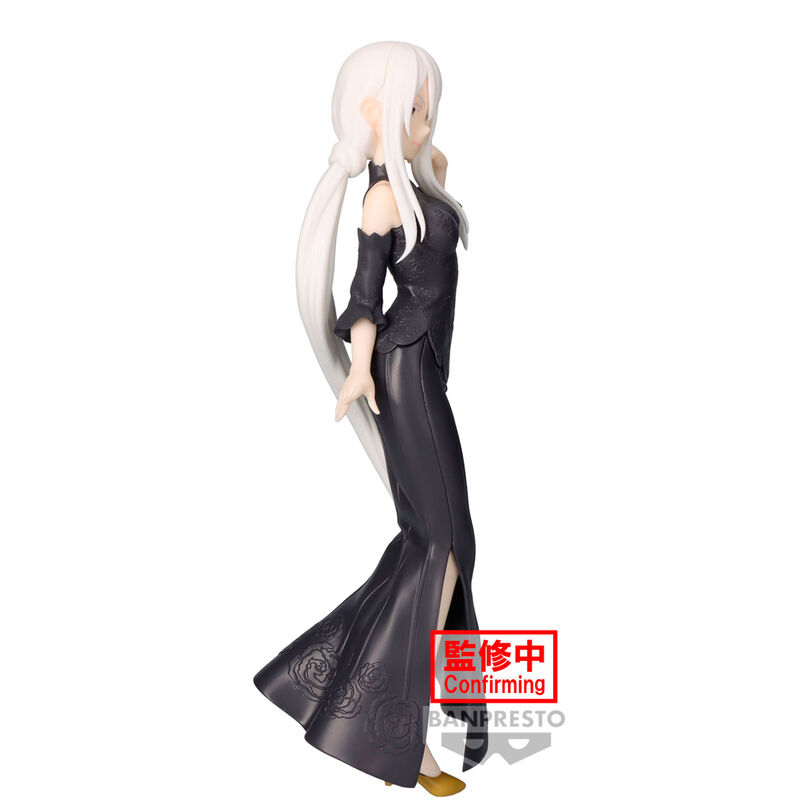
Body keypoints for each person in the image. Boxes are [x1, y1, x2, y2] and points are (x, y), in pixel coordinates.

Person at [254, 41, 488, 794]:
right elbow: (364, 297)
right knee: (443, 543)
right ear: (373, 111)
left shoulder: (421, 181)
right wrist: (358, 369)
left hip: (424, 369)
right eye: (412, 108)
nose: (426, 122)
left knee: (435, 543)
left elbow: (436, 238)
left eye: (428, 108)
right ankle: (399, 733)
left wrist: (430, 164)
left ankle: (356, 701)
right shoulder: (383, 199)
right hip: (403, 370)